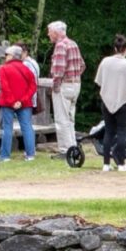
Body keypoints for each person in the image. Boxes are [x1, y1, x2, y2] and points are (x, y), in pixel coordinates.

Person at [94, 34, 126, 171]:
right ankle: (121, 164)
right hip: (123, 101)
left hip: (107, 100)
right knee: (121, 132)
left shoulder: (105, 61)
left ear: (115, 48)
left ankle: (106, 164)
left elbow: (99, 81)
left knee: (108, 131)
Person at [46, 20, 84, 155]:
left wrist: (55, 86)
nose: (48, 34)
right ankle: (73, 147)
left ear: (56, 32)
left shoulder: (60, 46)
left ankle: (65, 151)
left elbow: (59, 70)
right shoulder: (73, 43)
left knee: (61, 120)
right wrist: (75, 77)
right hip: (76, 85)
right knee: (70, 119)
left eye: (49, 32)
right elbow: (82, 65)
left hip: (64, 85)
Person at [0, 44, 37, 162]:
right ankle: (30, 155)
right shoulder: (27, 69)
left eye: (7, 55)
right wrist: (22, 100)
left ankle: (5, 156)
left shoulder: (4, 69)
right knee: (27, 127)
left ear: (12, 56)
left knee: (7, 128)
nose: (5, 57)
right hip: (24, 103)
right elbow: (33, 86)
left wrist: (12, 101)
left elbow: (5, 87)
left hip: (8, 103)